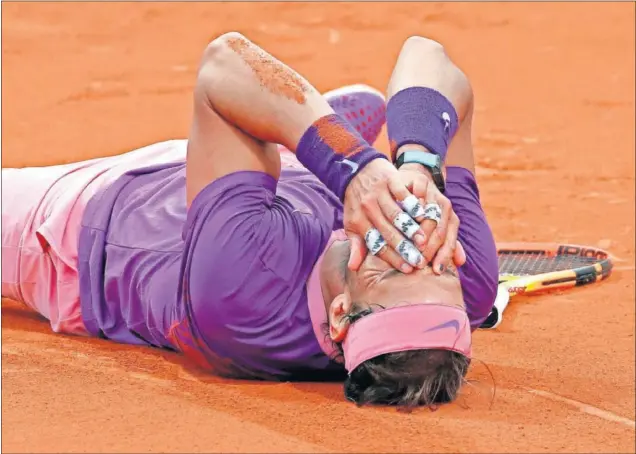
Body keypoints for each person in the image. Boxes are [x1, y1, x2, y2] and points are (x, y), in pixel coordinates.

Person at [1, 34, 498, 408]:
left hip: (89, 225)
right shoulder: (462, 266)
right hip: (271, 193)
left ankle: (284, 132)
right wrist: (420, 165)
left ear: (342, 313)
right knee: (391, 126)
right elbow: (427, 55)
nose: (413, 235)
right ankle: (290, 140)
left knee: (247, 104)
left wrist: (355, 168)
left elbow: (224, 61)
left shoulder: (245, 289)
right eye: (436, 263)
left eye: (394, 266)